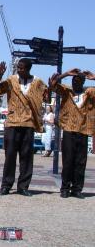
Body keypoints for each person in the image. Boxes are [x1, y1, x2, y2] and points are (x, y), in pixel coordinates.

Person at [0, 58, 47, 197]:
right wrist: (0, 74)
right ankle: (6, 185)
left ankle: (23, 186)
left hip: (28, 123)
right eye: (18, 67)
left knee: (26, 157)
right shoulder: (11, 80)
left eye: (22, 68)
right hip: (12, 122)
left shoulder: (38, 82)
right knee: (10, 156)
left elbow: (46, 95)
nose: (19, 70)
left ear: (29, 68)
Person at [49, 69, 95, 199]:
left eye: (79, 81)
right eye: (74, 80)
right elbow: (52, 85)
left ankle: (77, 189)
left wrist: (94, 77)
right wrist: (66, 74)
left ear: (83, 82)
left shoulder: (89, 92)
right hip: (69, 130)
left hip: (83, 130)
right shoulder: (66, 91)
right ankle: (65, 188)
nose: (76, 83)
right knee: (68, 161)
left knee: (80, 162)